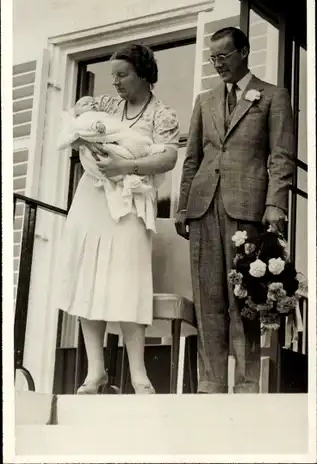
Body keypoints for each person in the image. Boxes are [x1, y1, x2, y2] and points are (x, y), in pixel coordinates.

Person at [175, 27, 294, 394]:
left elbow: (281, 155)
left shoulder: (273, 96)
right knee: (208, 297)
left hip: (249, 208)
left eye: (223, 57)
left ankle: (245, 384)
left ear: (243, 52)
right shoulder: (204, 100)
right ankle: (210, 382)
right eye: (213, 58)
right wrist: (182, 207)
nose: (217, 65)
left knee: (246, 299)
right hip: (204, 206)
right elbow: (193, 158)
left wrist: (275, 202)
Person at [56, 43, 179, 394]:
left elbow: (168, 158)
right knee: (87, 278)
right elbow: (80, 125)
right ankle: (95, 371)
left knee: (127, 281)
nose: (116, 83)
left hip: (131, 202)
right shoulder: (107, 106)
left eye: (123, 75)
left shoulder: (163, 115)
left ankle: (138, 373)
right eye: (113, 76)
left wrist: (126, 165)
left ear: (144, 74)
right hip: (92, 198)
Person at [57, 95, 166, 231]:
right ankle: (133, 172)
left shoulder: (102, 111)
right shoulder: (89, 114)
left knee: (129, 144)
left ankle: (144, 153)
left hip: (118, 143)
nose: (91, 104)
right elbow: (69, 129)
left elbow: (117, 129)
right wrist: (85, 140)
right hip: (98, 176)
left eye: (91, 103)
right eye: (85, 104)